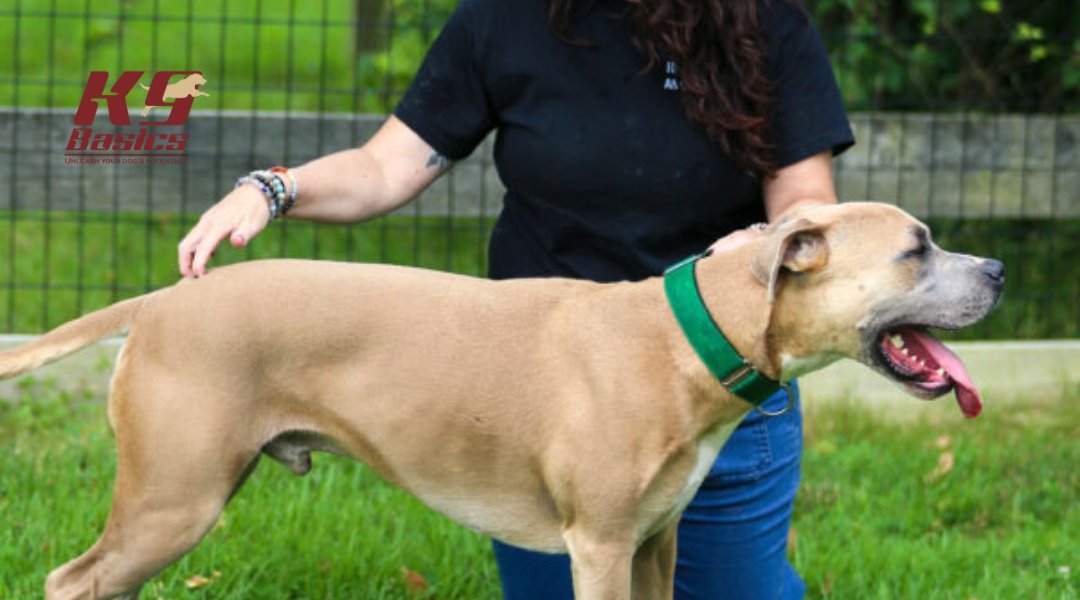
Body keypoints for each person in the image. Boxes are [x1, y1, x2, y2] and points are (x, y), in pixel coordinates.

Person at [178, 0, 854, 597]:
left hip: (722, 387)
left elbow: (807, 206)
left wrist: (767, 236)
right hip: (549, 399)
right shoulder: (507, 17)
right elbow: (384, 168)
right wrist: (272, 188)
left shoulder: (765, 23)